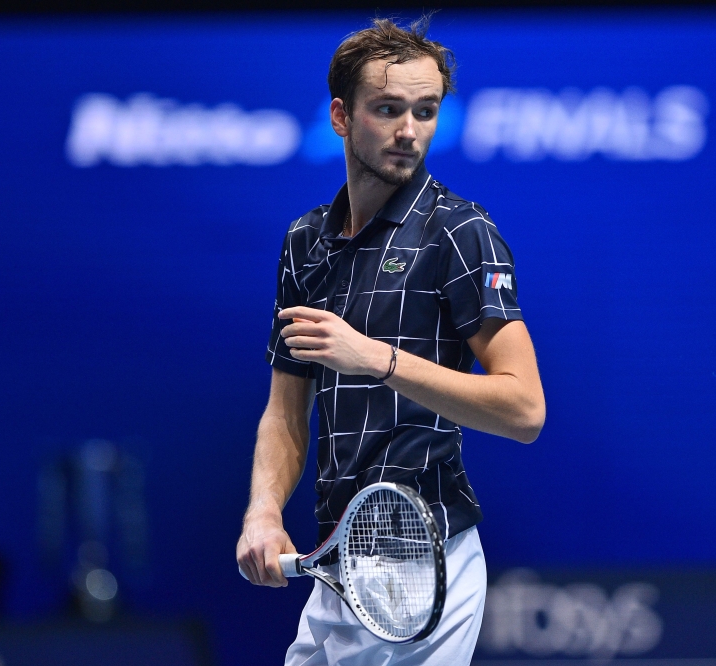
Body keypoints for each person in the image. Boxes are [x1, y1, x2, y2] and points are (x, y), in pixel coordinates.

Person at [236, 16, 546, 665]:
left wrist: (374, 358)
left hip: (423, 569)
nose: (410, 131)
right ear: (342, 117)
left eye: (426, 111)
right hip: (339, 564)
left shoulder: (460, 233)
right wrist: (263, 512)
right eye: (389, 109)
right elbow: (286, 411)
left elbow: (524, 410)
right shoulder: (305, 242)